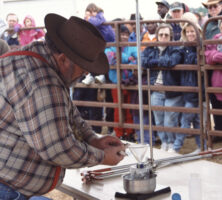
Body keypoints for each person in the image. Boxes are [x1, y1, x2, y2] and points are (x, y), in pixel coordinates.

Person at [0, 13, 125, 199]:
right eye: (82, 69)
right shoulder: (42, 82)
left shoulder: (40, 59)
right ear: (63, 59)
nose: (83, 75)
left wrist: (92, 139)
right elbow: (58, 148)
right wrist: (101, 157)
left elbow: (66, 111)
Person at [141, 23, 182, 152]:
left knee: (170, 120)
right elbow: (143, 62)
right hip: (156, 90)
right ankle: (164, 142)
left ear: (170, 37)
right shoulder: (150, 48)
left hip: (172, 90)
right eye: (161, 34)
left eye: (166, 35)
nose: (163, 37)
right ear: (157, 36)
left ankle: (172, 143)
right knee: (158, 119)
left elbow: (172, 61)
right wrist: (159, 62)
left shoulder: (176, 48)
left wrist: (155, 62)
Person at [174, 13, 203, 153]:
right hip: (188, 88)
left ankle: (176, 147)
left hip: (196, 89)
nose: (191, 34)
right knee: (196, 120)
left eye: (193, 31)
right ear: (185, 33)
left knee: (186, 120)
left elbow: (195, 61)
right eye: (188, 31)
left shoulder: (200, 46)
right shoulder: (183, 47)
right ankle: (201, 146)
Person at [105, 24, 137, 141]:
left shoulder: (132, 46)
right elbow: (111, 58)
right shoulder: (110, 48)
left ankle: (129, 132)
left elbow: (138, 59)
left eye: (126, 34)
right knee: (118, 109)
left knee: (129, 108)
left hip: (129, 82)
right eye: (122, 34)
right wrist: (129, 59)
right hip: (116, 83)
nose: (124, 37)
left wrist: (125, 59)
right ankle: (119, 133)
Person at [82, 3, 115, 85]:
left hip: (108, 40)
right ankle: (92, 75)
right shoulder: (93, 18)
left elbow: (97, 22)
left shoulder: (100, 15)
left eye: (92, 11)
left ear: (95, 10)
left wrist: (89, 18)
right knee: (93, 55)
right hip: (100, 41)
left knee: (102, 55)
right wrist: (86, 18)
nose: (91, 14)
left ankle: (100, 75)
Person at [203, 0, 222, 134]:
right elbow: (206, 50)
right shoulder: (208, 24)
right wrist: (214, 56)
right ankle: (219, 130)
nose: (212, 9)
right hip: (213, 69)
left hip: (216, 65)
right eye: (210, 7)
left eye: (215, 6)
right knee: (214, 99)